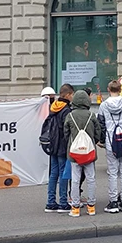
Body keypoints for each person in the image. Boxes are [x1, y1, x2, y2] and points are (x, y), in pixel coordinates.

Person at [64, 89, 102, 217]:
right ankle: (91, 207)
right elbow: (98, 133)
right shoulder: (91, 115)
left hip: (74, 153)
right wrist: (93, 141)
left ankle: (75, 208)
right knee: (91, 179)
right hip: (89, 152)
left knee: (75, 179)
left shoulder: (70, 116)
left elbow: (65, 134)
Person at [98, 80, 122, 214]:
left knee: (112, 172)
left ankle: (113, 202)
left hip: (111, 141)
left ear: (108, 89)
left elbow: (101, 123)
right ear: (120, 89)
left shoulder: (104, 105)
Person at [43, 84, 74, 213]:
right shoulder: (66, 109)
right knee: (63, 173)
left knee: (53, 173)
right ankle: (63, 202)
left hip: (52, 144)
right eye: (72, 94)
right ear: (67, 95)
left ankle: (50, 202)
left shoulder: (53, 106)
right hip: (62, 144)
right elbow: (66, 129)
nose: (72, 97)